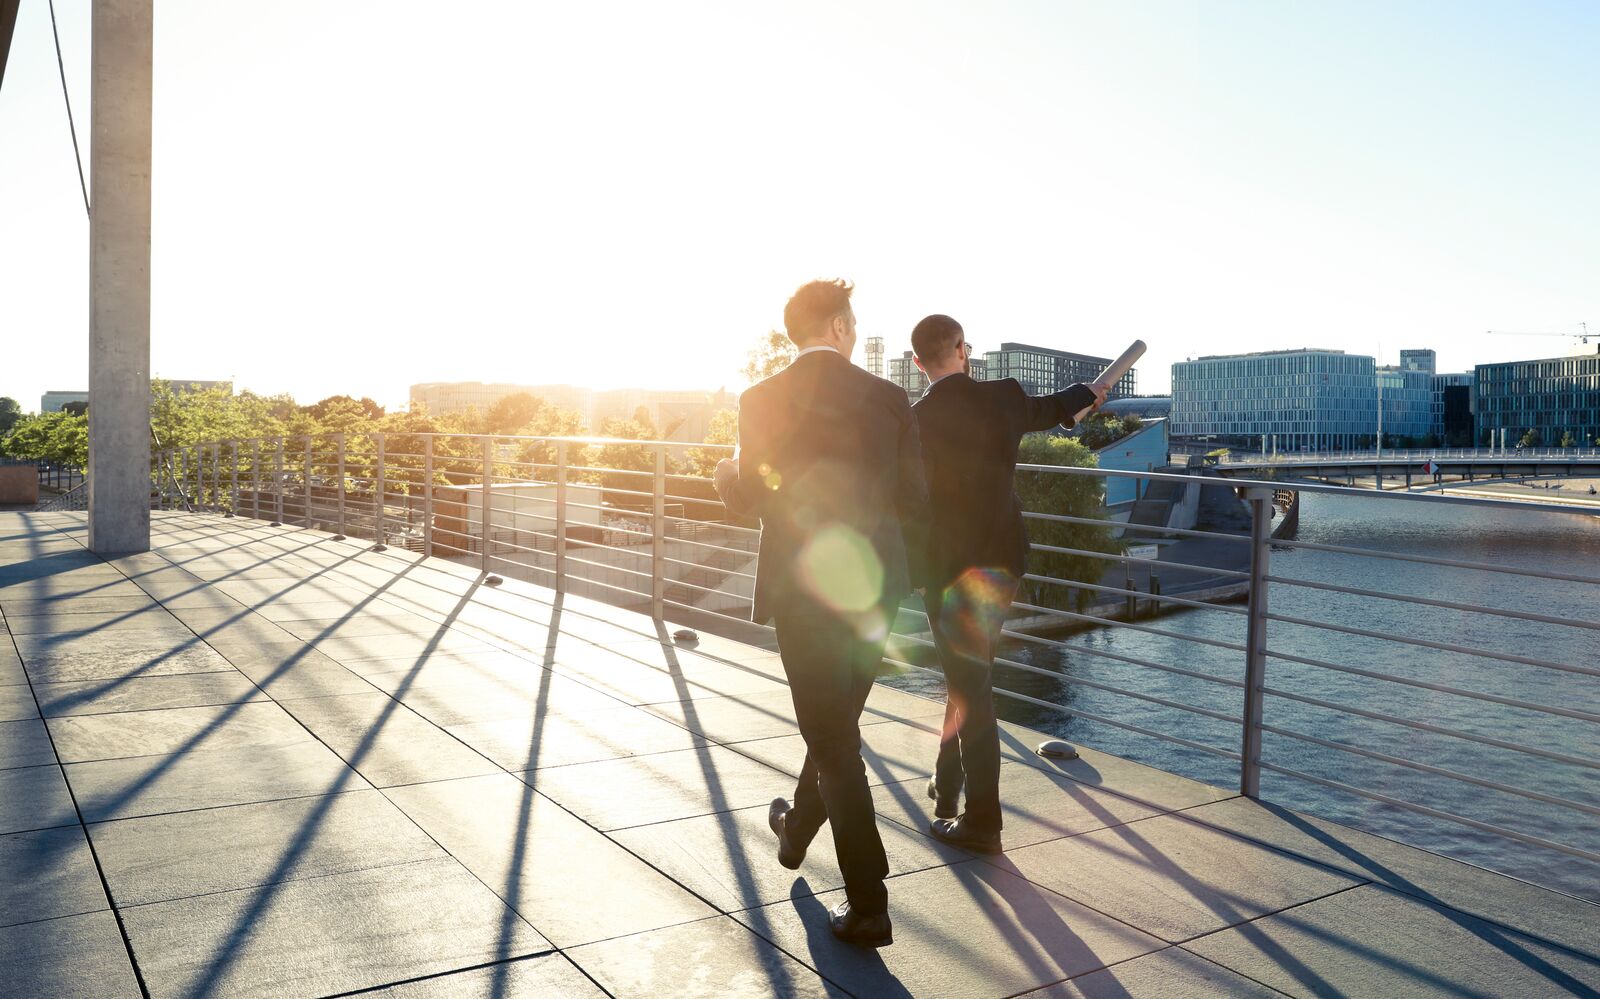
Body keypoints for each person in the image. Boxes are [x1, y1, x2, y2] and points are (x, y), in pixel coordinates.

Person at [714, 279, 928, 948]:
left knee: (834, 739)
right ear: (837, 326)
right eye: (853, 321)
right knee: (836, 727)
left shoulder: (759, 399)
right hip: (874, 587)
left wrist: (726, 473)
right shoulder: (892, 398)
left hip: (804, 589)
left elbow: (750, 496)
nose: (856, 331)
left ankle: (869, 905)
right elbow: (915, 495)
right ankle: (796, 831)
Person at [908, 314, 1105, 853]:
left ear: (920, 363)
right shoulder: (1003, 397)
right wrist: (1091, 392)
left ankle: (983, 822)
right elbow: (1056, 406)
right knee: (969, 676)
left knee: (970, 685)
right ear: (963, 350)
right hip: (999, 562)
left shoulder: (915, 419)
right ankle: (947, 790)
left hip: (946, 570)